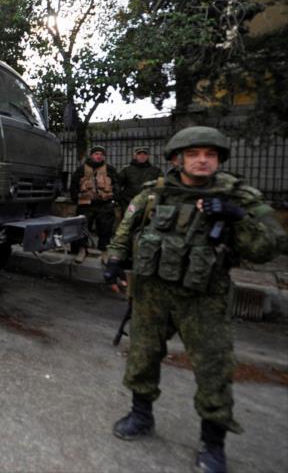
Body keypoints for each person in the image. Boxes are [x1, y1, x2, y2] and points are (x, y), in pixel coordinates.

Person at [103, 126, 283, 473]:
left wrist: (237, 216)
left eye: (210, 154)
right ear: (177, 159)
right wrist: (113, 263)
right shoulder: (154, 193)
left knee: (213, 369)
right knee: (142, 356)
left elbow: (266, 248)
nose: (203, 160)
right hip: (152, 293)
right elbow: (125, 231)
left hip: (203, 298)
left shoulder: (238, 196)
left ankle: (212, 444)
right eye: (194, 154)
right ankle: (141, 416)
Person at [70, 145, 119, 263]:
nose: (99, 156)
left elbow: (117, 185)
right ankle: (83, 249)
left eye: (101, 154)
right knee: (82, 228)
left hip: (105, 204)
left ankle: (104, 252)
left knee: (105, 229)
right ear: (91, 155)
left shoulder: (110, 169)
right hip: (86, 204)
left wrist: (114, 200)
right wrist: (75, 199)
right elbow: (73, 185)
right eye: (96, 154)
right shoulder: (81, 169)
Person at [116, 147, 162, 211]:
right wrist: (120, 199)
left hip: (148, 203)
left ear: (148, 156)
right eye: (139, 154)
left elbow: (161, 185)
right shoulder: (126, 170)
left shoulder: (155, 170)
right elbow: (117, 184)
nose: (142, 156)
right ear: (135, 156)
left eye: (144, 154)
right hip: (129, 203)